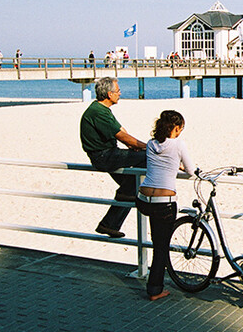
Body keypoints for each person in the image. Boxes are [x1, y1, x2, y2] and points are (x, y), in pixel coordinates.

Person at [136, 110, 196, 301]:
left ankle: (154, 284)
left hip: (144, 199)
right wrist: (180, 166)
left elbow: (160, 162)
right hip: (164, 203)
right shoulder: (179, 144)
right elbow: (191, 170)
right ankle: (155, 290)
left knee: (156, 242)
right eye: (181, 129)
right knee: (161, 247)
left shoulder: (151, 144)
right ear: (176, 128)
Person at [80, 77, 147, 238]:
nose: (120, 94)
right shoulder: (98, 112)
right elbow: (122, 137)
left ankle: (109, 225)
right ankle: (125, 193)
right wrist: (148, 147)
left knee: (132, 190)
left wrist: (135, 145)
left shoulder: (102, 110)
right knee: (148, 157)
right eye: (117, 91)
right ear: (109, 94)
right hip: (104, 156)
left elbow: (121, 131)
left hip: (107, 154)